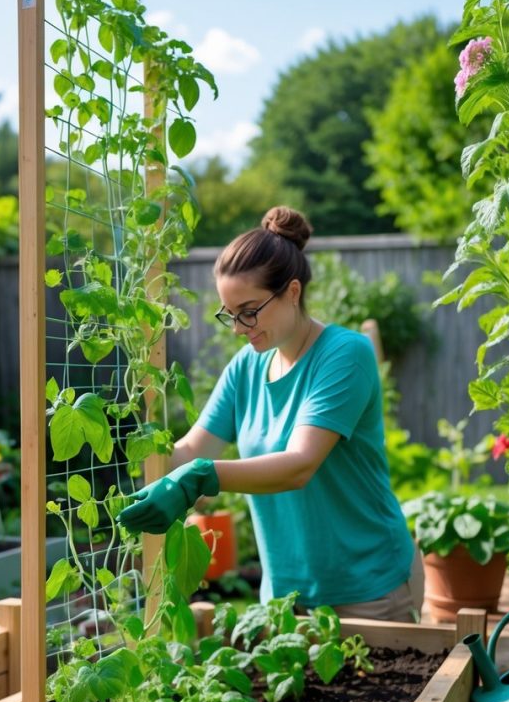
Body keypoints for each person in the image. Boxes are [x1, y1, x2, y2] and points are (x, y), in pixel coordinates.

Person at [118, 206, 423, 621]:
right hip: (284, 597)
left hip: (368, 589)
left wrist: (203, 477)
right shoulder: (246, 368)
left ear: (292, 292)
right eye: (230, 314)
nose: (238, 328)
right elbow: (192, 447)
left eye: (249, 310)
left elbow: (299, 465)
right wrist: (128, 466)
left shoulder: (345, 355)